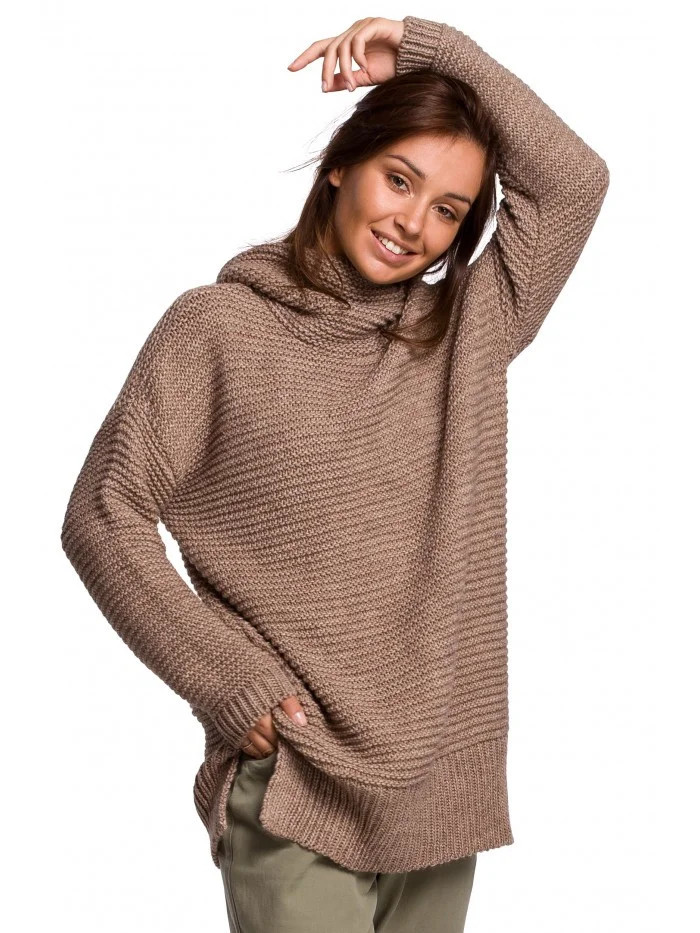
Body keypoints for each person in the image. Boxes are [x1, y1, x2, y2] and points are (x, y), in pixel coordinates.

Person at [60, 14, 610, 933]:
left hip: (438, 797)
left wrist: (428, 49)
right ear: (340, 166)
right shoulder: (218, 330)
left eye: (449, 210)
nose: (414, 225)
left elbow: (575, 180)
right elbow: (102, 511)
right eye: (399, 179)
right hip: (298, 778)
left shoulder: (465, 333)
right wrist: (224, 677)